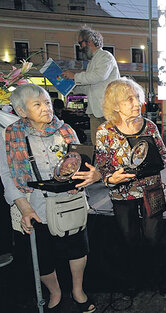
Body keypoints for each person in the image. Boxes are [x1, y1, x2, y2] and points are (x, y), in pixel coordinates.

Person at [0, 84, 101, 312]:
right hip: (33, 203)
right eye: (38, 104)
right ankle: (55, 293)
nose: (46, 108)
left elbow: (82, 163)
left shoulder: (66, 129)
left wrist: (92, 174)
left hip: (70, 200)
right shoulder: (11, 134)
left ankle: (78, 291)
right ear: (21, 111)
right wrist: (24, 208)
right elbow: (6, 173)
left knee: (78, 249)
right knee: (42, 256)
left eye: (47, 102)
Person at [94, 78, 166, 298]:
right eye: (129, 99)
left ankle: (160, 279)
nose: (136, 102)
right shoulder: (104, 131)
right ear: (115, 105)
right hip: (122, 194)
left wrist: (154, 162)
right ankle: (133, 280)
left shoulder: (150, 126)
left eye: (137, 97)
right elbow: (102, 168)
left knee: (154, 237)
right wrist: (112, 178)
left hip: (151, 190)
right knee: (128, 240)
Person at [63, 26, 120, 145]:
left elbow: (99, 76)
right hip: (96, 112)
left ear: (89, 42)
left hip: (108, 111)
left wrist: (75, 76)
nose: (80, 47)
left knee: (111, 145)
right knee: (98, 146)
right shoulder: (93, 61)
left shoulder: (105, 56)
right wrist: (69, 86)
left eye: (80, 43)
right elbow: (88, 86)